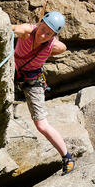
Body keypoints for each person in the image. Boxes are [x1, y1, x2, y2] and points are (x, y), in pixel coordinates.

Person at [12, 11, 75, 175]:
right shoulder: (27, 31)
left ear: (54, 35)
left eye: (49, 33)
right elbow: (13, 29)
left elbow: (62, 47)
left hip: (33, 80)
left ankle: (67, 157)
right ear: (39, 23)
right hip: (13, 70)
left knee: (41, 124)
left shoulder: (54, 45)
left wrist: (50, 46)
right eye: (42, 29)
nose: (43, 35)